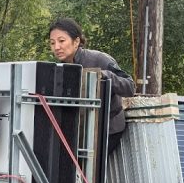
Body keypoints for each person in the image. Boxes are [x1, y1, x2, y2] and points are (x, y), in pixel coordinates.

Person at [48, 17, 135, 153]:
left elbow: (130, 87)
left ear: (76, 41)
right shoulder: (59, 68)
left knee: (87, 166)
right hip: (79, 130)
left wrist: (105, 75)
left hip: (108, 129)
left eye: (61, 41)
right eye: (52, 43)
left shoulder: (99, 59)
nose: (56, 47)